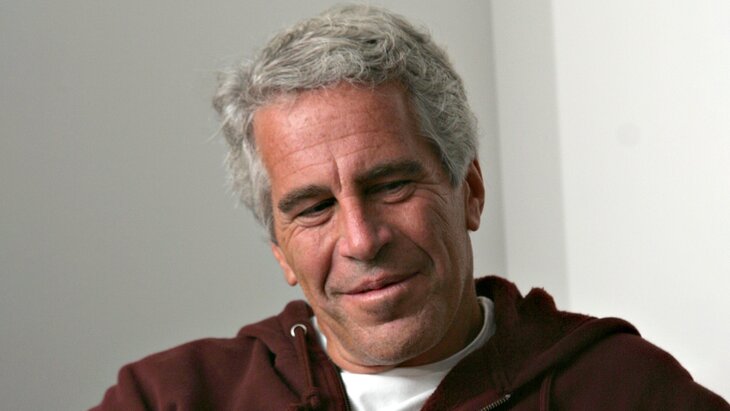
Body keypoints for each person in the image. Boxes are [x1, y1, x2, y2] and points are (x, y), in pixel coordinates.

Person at [92, 5, 728, 410]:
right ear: (280, 249)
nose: (361, 240)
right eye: (314, 208)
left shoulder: (625, 393)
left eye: (391, 185)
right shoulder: (169, 400)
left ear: (469, 190)